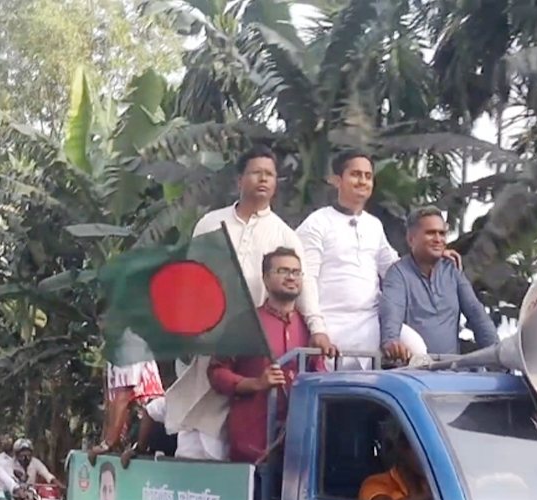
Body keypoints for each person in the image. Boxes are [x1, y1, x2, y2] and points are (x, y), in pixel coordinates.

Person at [166, 145, 335, 461]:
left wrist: (318, 328)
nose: (264, 179)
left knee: (240, 433)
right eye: (257, 172)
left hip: (250, 354)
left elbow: (305, 283)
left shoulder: (284, 235)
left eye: (270, 174)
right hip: (207, 345)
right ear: (239, 179)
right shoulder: (210, 224)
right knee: (194, 433)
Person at [209, 248, 326, 463]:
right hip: (253, 446)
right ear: (265, 278)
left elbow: (320, 375)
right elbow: (217, 373)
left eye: (296, 272)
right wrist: (255, 383)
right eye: (283, 271)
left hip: (299, 447)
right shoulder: (245, 323)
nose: (291, 277)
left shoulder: (310, 328)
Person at [295, 150, 400, 369]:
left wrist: (430, 256)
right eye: (355, 174)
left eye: (368, 176)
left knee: (417, 349)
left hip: (372, 322)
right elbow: (306, 279)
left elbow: (394, 269)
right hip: (331, 326)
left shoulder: (374, 225)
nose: (363, 181)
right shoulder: (317, 223)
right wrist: (317, 329)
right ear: (336, 180)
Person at [380, 207, 499, 361]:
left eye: (442, 233)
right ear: (411, 239)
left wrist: (498, 354)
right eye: (430, 233)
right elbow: (392, 314)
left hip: (450, 373)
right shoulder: (398, 274)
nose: (438, 239)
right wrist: (391, 342)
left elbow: (477, 315)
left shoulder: (453, 272)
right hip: (413, 373)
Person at [91, 329, 167, 465]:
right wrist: (109, 440)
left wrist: (108, 443)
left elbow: (122, 399)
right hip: (133, 425)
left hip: (150, 426)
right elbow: (112, 402)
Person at [357, 422, 440, 500]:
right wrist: (436, 495)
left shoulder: (433, 484)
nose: (428, 458)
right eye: (421, 450)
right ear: (402, 449)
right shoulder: (376, 483)